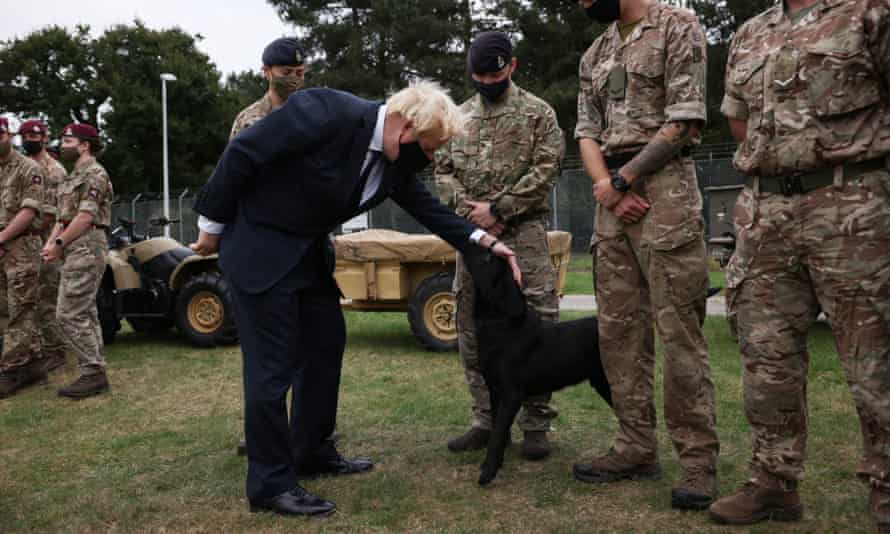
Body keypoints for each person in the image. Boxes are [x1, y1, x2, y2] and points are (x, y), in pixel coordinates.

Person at [191, 80, 523, 517]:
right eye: (428, 146)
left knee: (325, 345)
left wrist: (482, 241)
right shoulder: (326, 110)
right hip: (260, 250)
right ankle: (270, 483)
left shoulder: (392, 160)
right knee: (271, 369)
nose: (431, 157)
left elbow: (427, 208)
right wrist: (211, 228)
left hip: (306, 254)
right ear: (405, 125)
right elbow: (243, 153)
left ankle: (310, 450)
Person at [709, 0, 890, 528]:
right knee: (766, 358)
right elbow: (739, 120)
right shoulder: (750, 32)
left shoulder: (869, 13)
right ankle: (773, 481)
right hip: (765, 210)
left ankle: (886, 483)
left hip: (852, 205)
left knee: (873, 356)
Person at [572, 0, 719, 511]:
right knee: (618, 334)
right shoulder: (597, 51)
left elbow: (684, 120)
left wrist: (623, 179)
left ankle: (698, 460)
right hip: (609, 199)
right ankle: (635, 446)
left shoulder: (678, 26)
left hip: (664, 193)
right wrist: (606, 187)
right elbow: (586, 132)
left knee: (679, 332)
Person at [436, 31, 564, 460]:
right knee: (472, 328)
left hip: (523, 235)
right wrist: (470, 211)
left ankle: (536, 425)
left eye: (493, 74)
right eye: (477, 75)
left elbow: (547, 167)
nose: (485, 82)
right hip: (472, 240)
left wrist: (501, 209)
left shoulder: (537, 114)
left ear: (511, 66)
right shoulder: (457, 117)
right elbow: (442, 169)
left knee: (537, 324)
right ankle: (485, 421)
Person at [229, 37, 308, 457]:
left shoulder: (314, 113)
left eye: (299, 71)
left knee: (309, 348)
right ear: (266, 72)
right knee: (265, 354)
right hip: (264, 247)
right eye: (285, 71)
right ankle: (261, 433)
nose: (293, 77)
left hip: (307, 244)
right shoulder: (249, 120)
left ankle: (308, 432)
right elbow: (235, 177)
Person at [42, 123, 113, 399]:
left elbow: (85, 217)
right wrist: (51, 242)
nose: (62, 143)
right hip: (74, 246)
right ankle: (93, 371)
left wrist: (59, 244)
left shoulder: (95, 174)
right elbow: (63, 218)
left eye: (68, 139)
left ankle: (93, 371)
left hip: (87, 245)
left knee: (67, 313)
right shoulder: (73, 177)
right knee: (84, 311)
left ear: (84, 145)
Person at [0, 117, 47, 398]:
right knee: (4, 311)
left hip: (21, 249)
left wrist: (2, 238)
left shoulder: (28, 169)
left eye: (0, 133)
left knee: (21, 310)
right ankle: (33, 364)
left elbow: (28, 212)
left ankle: (10, 370)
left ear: (9, 135)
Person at [20, 119, 68, 374]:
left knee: (46, 300)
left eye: (34, 135)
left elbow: (49, 215)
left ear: (44, 137)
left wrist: (16, 231)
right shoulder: (23, 167)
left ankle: (55, 351)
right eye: (25, 134)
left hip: (47, 245)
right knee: (28, 300)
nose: (29, 139)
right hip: (25, 247)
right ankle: (36, 350)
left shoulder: (54, 170)